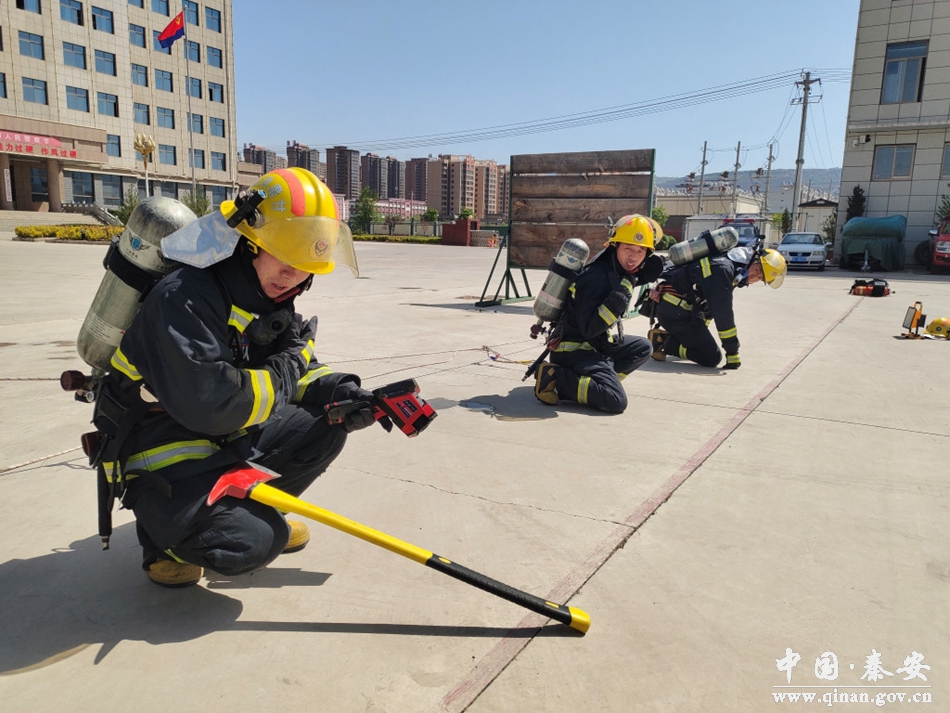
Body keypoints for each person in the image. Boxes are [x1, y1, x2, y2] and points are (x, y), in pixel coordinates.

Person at [94, 168, 380, 588]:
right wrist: (289, 365)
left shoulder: (265, 294)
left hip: (218, 440)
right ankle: (164, 546)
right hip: (161, 446)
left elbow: (294, 369)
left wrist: (344, 391)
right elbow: (219, 406)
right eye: (282, 256)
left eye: (304, 266)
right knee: (252, 544)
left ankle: (256, 512)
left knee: (329, 421)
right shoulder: (183, 298)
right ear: (248, 242)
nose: (292, 275)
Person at [534, 214, 665, 413]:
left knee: (643, 347)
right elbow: (590, 328)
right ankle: (556, 378)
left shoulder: (617, 272)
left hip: (596, 345)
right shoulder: (595, 277)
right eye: (628, 248)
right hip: (574, 351)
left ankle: (596, 380)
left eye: (640, 251)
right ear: (615, 246)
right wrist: (619, 298)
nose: (633, 257)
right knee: (615, 400)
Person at [646, 245, 787, 368]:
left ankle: (673, 338)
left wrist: (702, 331)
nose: (755, 277)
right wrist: (732, 352)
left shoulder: (728, 266)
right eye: (757, 270)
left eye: (760, 278)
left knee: (700, 346)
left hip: (678, 311)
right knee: (711, 358)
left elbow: (710, 308)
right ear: (752, 259)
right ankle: (663, 342)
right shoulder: (723, 270)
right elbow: (723, 314)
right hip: (675, 313)